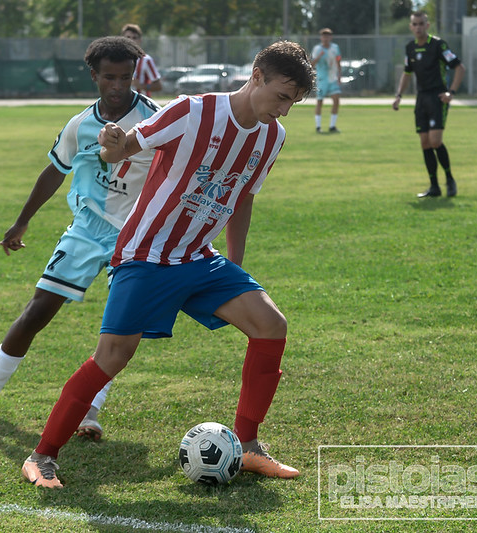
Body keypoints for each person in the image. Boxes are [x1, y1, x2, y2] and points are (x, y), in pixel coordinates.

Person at [20, 40, 314, 489]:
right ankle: (42, 456)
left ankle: (250, 446)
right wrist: (111, 141)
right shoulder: (192, 111)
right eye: (281, 96)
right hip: (146, 255)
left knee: (271, 325)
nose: (285, 109)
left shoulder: (273, 136)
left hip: (199, 258)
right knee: (113, 357)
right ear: (256, 76)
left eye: (292, 102)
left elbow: (242, 197)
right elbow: (121, 150)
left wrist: (236, 268)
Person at [0, 36, 160, 442]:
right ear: (94, 76)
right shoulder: (80, 125)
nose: (118, 86)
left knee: (118, 329)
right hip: (87, 228)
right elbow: (54, 170)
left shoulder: (154, 119)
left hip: (135, 235)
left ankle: (90, 412)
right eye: (109, 78)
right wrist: (21, 221)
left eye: (125, 77)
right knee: (38, 309)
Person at [393, 11, 465, 198]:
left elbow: (459, 68)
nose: (418, 27)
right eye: (415, 24)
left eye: (421, 23)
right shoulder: (410, 48)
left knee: (435, 141)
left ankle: (450, 180)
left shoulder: (438, 45)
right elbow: (407, 73)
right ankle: (434, 186)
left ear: (427, 25)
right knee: (425, 143)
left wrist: (451, 93)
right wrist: (399, 95)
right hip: (421, 98)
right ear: (411, 27)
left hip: (437, 97)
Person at [311, 28, 341, 133]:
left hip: (332, 78)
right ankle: (318, 126)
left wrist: (339, 76)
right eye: (324, 36)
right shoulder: (317, 49)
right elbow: (312, 64)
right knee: (320, 101)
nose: (326, 38)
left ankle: (332, 126)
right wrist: (319, 57)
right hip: (322, 78)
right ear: (321, 37)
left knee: (336, 100)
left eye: (328, 36)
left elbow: (338, 60)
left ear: (330, 37)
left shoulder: (335, 48)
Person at [120, 24, 162, 95]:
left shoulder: (146, 60)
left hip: (141, 103)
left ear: (140, 40)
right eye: (128, 37)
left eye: (134, 37)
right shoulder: (117, 59)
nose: (131, 40)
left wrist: (141, 86)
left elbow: (158, 86)